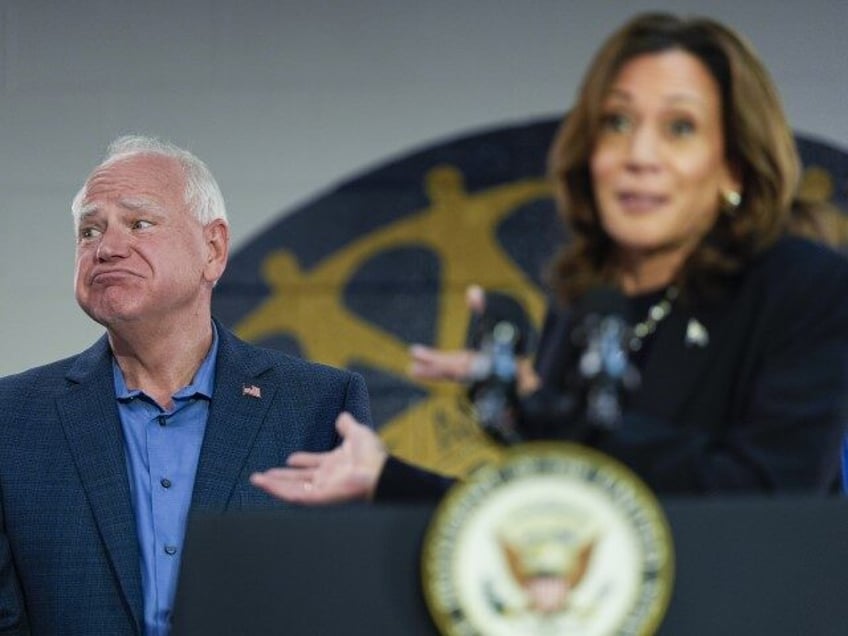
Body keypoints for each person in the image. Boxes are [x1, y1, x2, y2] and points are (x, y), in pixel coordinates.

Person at [250, 12, 848, 504]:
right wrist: (384, 478)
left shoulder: (805, 287)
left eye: (680, 127)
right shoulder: (587, 304)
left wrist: (547, 408)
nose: (639, 153)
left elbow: (770, 496)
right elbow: (555, 516)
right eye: (617, 122)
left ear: (734, 166)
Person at [0, 135, 372, 635]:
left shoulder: (318, 408)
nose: (107, 247)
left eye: (140, 223)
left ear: (213, 249)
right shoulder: (13, 418)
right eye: (89, 230)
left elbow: (351, 604)